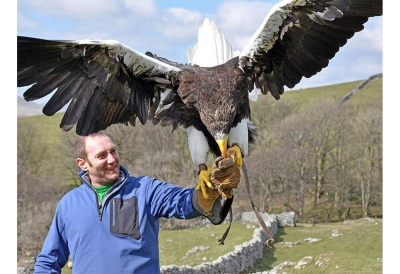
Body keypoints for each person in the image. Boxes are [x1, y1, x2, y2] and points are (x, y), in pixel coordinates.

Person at [33, 131, 241, 273]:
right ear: (83, 164)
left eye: (113, 151)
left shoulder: (145, 190)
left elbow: (183, 202)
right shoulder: (69, 204)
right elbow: (48, 259)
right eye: (101, 156)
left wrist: (210, 190)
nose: (112, 159)